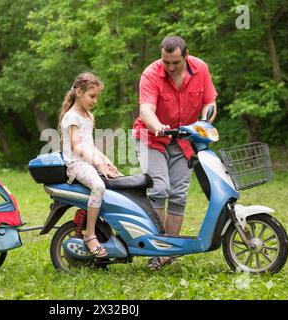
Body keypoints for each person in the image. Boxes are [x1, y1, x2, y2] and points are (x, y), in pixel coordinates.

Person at [132, 36, 218, 270]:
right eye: (166, 62)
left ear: (186, 55)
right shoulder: (151, 74)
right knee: (159, 189)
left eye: (175, 63)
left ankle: (167, 255)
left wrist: (204, 123)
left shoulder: (201, 69)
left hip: (184, 140)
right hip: (152, 138)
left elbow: (209, 102)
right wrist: (157, 125)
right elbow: (146, 110)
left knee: (179, 195)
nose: (170, 67)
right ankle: (154, 249)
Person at [59, 72, 122, 257]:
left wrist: (106, 161)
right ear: (79, 92)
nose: (95, 101)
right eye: (92, 96)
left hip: (89, 161)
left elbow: (90, 145)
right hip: (77, 165)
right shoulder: (71, 117)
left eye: (96, 97)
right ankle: (90, 234)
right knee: (98, 186)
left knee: (119, 181)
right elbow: (76, 145)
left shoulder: (88, 116)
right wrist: (97, 163)